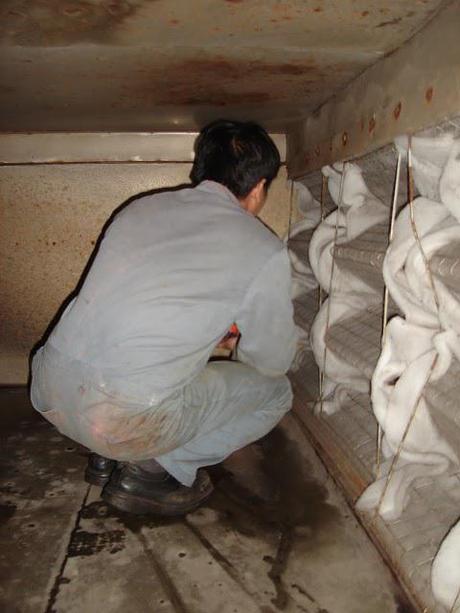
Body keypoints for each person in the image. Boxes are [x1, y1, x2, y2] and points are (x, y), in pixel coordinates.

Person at [30, 120, 298, 516]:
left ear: (201, 169)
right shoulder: (262, 246)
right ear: (258, 188)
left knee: (135, 375)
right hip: (124, 422)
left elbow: (131, 312)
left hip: (50, 392)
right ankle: (151, 469)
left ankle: (103, 456)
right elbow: (271, 361)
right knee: (277, 393)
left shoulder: (138, 209)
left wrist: (207, 337)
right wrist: (242, 348)